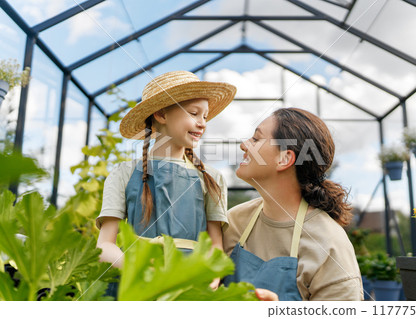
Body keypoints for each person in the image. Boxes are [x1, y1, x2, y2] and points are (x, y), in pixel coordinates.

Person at [96, 71, 236, 291]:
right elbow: (104, 244)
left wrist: (209, 280)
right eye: (194, 113)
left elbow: (215, 247)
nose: (202, 124)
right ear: (161, 114)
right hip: (135, 284)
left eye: (205, 116)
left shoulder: (211, 178)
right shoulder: (123, 173)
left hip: (191, 286)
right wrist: (141, 270)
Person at [223, 107, 363, 301]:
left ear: (285, 159)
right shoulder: (235, 220)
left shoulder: (329, 245)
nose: (244, 145)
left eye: (256, 139)